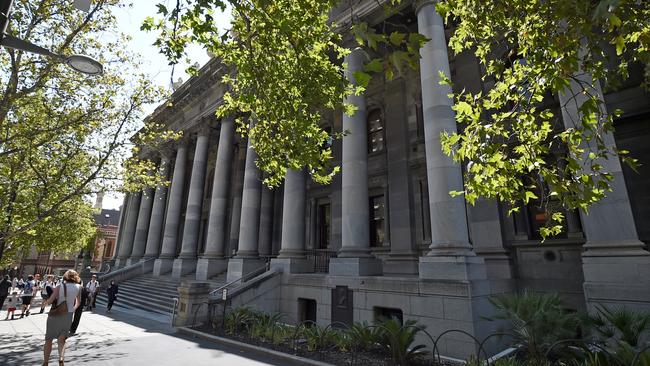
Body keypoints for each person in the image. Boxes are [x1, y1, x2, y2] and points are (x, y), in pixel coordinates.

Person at [42, 269, 81, 366]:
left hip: (55, 314)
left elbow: (50, 301)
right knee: (62, 339)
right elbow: (78, 302)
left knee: (49, 339)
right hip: (68, 315)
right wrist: (73, 309)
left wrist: (44, 303)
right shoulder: (79, 287)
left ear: (65, 276)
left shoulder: (60, 286)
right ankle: (61, 358)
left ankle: (46, 362)